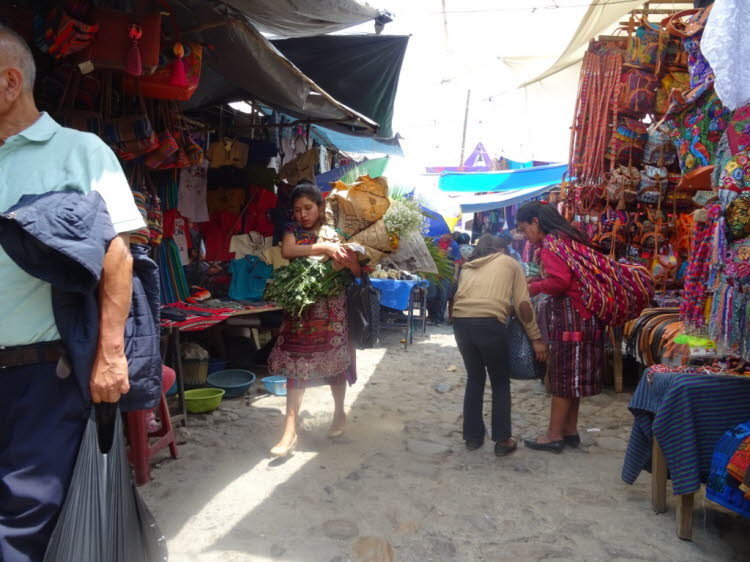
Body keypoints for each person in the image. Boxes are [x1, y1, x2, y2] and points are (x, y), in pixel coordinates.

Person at [0, 26, 145, 561]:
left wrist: (111, 354)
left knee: (26, 518)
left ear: (10, 82)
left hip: (44, 371)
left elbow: (117, 255)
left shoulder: (80, 152)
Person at [267, 184, 361, 457]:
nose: (302, 215)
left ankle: (339, 414)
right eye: (297, 210)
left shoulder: (339, 232)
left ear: (320, 207)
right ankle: (289, 430)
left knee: (335, 366)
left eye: (308, 208)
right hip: (301, 309)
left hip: (333, 310)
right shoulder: (292, 231)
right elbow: (288, 251)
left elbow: (357, 272)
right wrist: (326, 248)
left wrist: (348, 261)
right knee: (296, 365)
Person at [516, 201, 605, 453]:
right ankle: (570, 431)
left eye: (525, 229)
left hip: (570, 320)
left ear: (536, 222)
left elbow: (560, 281)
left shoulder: (552, 246)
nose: (525, 236)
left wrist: (533, 287)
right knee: (573, 379)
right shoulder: (569, 240)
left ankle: (554, 435)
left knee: (562, 378)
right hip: (585, 318)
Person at [452, 234, 548, 457]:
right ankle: (503, 439)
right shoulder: (510, 263)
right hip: (489, 323)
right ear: (501, 250)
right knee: (500, 381)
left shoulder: (467, 267)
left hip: (461, 323)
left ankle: (473, 437)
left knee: (475, 377)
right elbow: (523, 304)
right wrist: (535, 338)